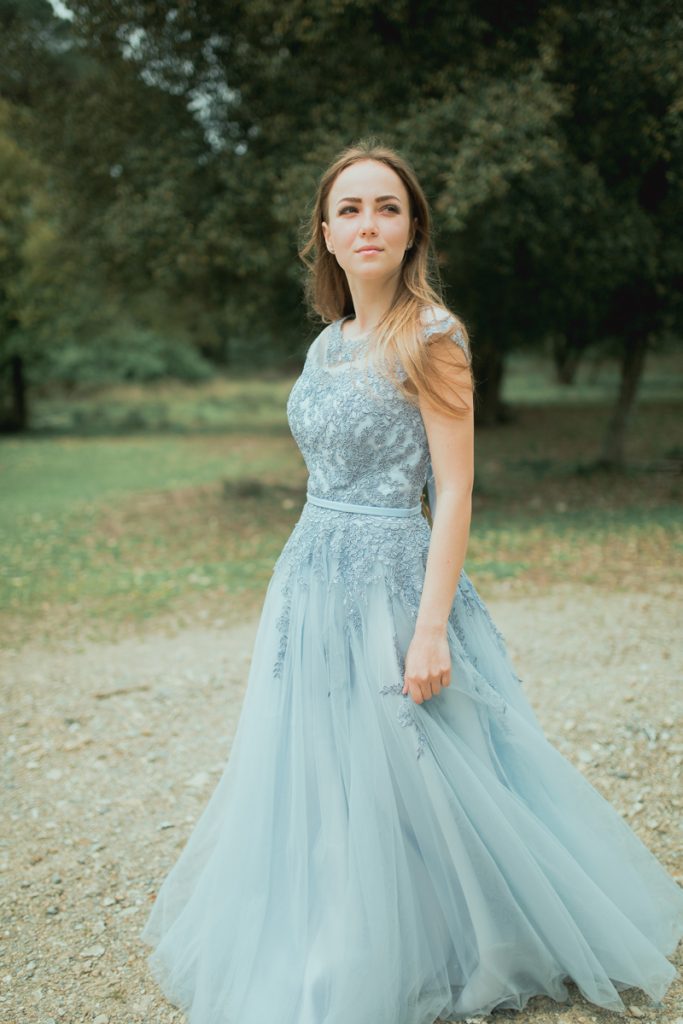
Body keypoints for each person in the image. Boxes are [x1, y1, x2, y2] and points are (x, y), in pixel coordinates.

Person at [139, 140, 683, 1024]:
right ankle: (341, 934)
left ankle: (474, 939)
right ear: (325, 233)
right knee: (330, 767)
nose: (368, 224)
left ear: (411, 229)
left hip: (396, 582)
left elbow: (455, 488)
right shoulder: (326, 345)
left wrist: (430, 629)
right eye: (349, 209)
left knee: (429, 770)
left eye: (386, 207)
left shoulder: (432, 336)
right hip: (310, 579)